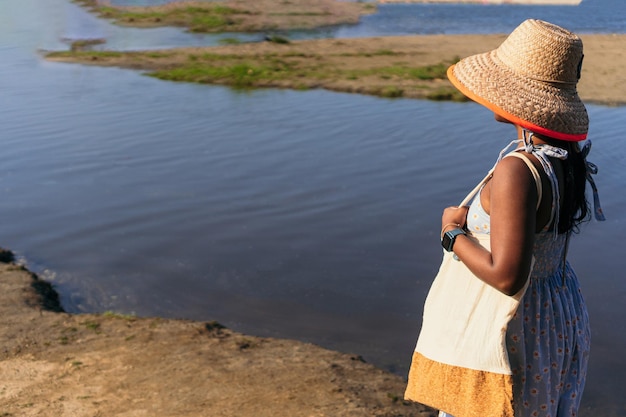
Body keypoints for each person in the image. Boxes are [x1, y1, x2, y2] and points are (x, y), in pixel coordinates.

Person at [404, 19, 605, 417]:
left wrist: (451, 232)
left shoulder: (518, 168)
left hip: (512, 328)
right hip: (554, 316)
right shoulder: (567, 161)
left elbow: (507, 275)